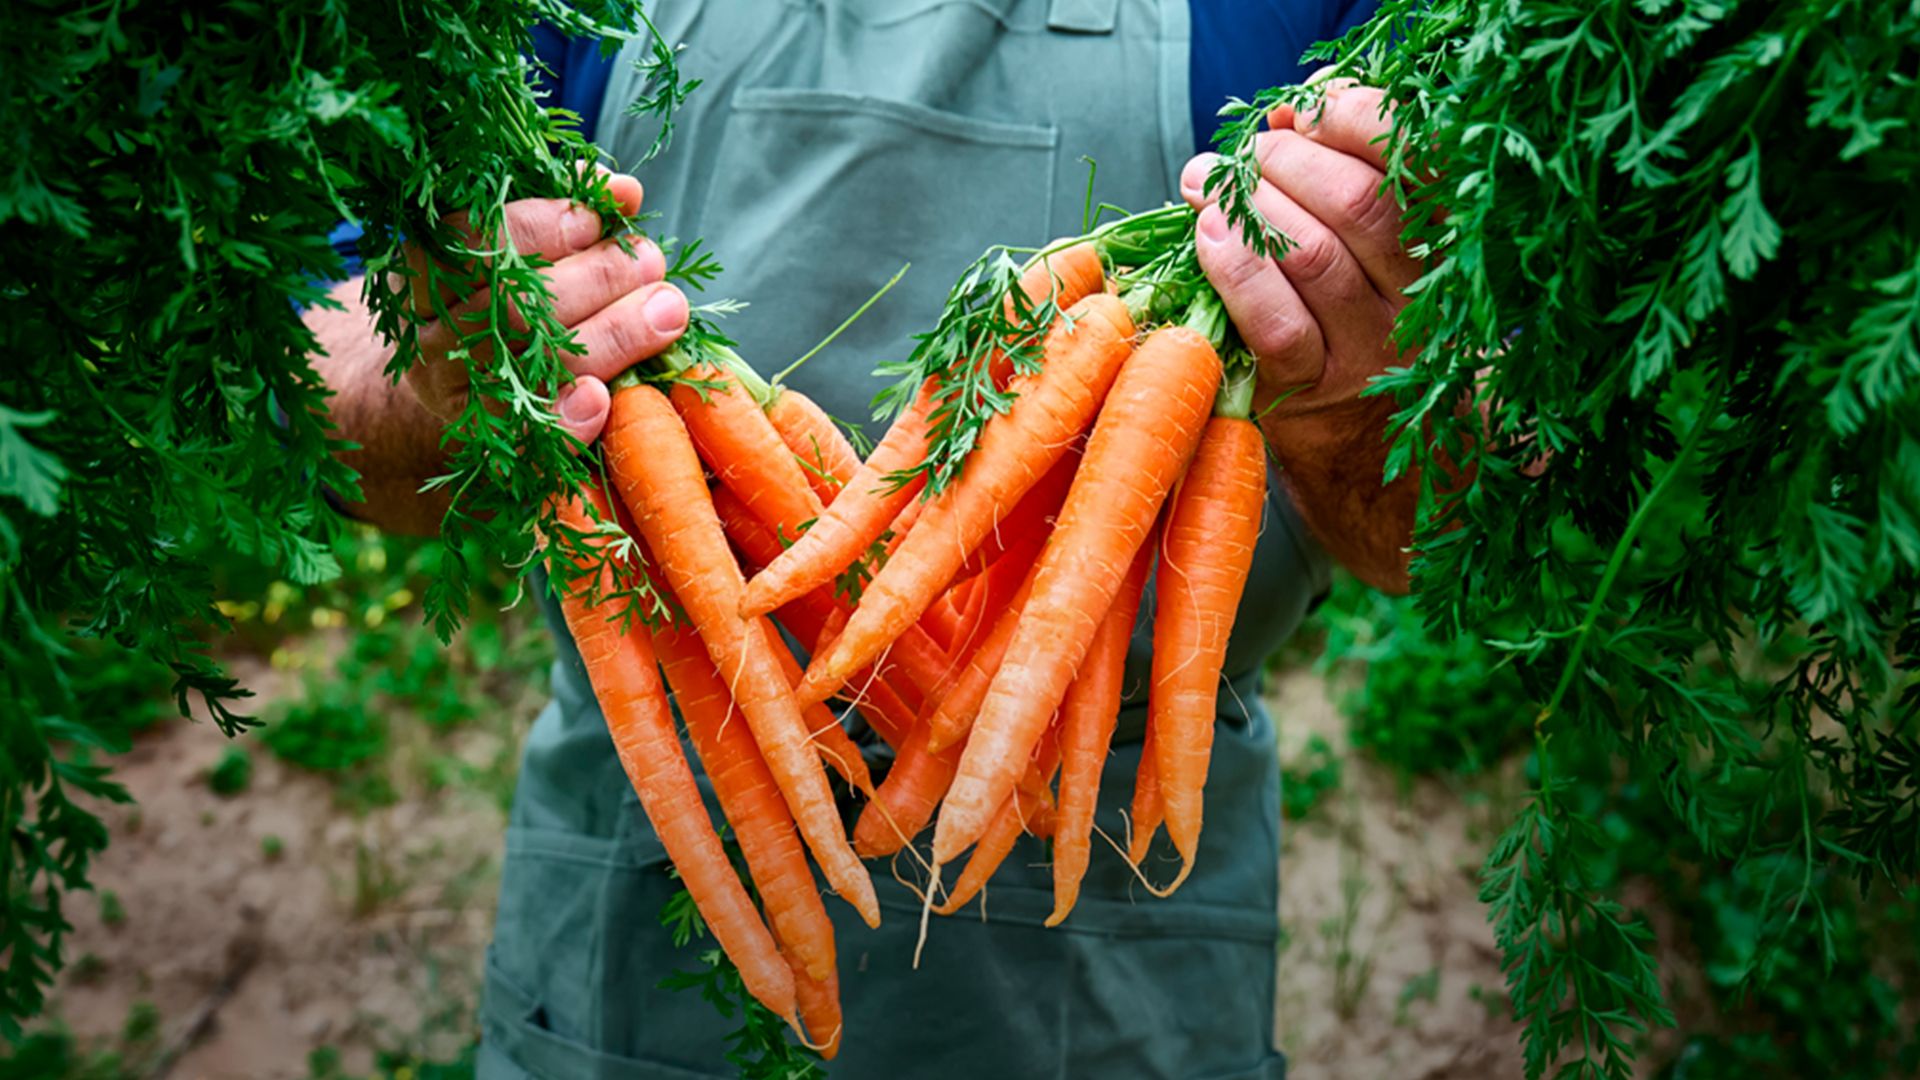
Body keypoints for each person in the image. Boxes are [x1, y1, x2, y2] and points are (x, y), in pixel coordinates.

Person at [304, 1, 1418, 1075]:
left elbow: (1446, 533)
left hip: (1124, 941)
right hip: (639, 898)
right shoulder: (490, 21)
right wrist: (429, 383)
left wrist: (1355, 401)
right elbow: (295, 362)